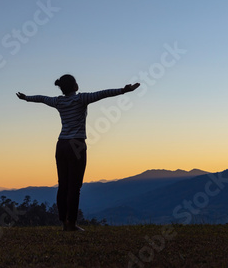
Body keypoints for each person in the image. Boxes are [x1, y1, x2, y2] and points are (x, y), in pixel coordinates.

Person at [16, 74, 140, 231]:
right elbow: (103, 93)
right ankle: (72, 224)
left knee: (63, 185)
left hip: (61, 144)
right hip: (76, 144)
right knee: (74, 186)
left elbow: (42, 98)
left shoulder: (58, 101)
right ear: (74, 86)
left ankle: (64, 223)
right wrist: (124, 90)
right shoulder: (81, 99)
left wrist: (26, 98)